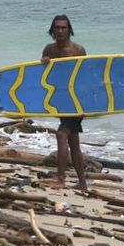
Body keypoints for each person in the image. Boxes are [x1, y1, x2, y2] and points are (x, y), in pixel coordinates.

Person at [41, 14, 87, 189]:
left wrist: (86, 105)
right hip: (61, 100)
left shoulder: (78, 50)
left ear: (69, 30)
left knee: (61, 134)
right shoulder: (49, 50)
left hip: (76, 101)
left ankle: (61, 179)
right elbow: (45, 78)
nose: (60, 30)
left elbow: (85, 78)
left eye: (64, 27)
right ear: (52, 30)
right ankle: (82, 182)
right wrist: (44, 63)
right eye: (57, 27)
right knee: (73, 141)